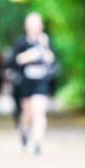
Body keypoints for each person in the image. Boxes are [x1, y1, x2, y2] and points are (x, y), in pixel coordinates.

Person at [11, 12, 57, 155]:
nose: (34, 27)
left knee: (39, 112)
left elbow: (51, 60)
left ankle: (37, 143)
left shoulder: (46, 42)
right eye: (32, 24)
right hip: (25, 83)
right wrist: (29, 56)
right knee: (27, 113)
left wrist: (44, 46)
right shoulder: (21, 42)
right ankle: (24, 134)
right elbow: (14, 61)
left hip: (41, 82)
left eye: (37, 24)